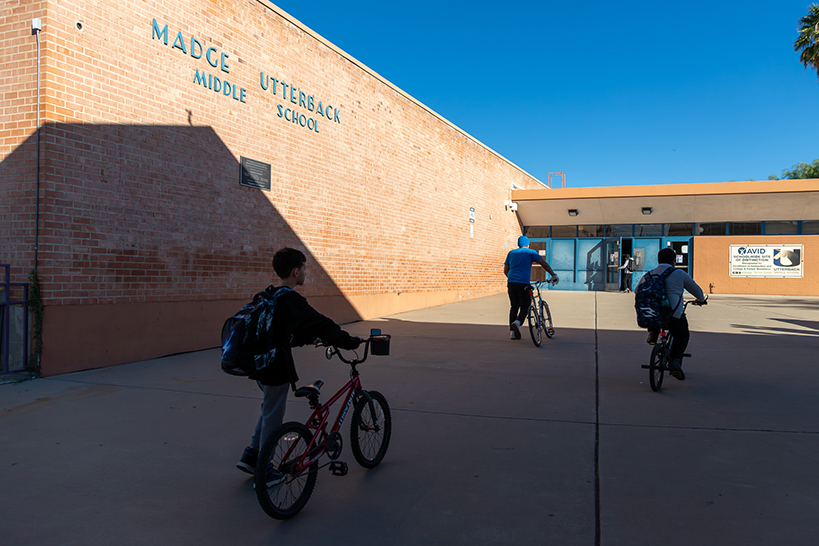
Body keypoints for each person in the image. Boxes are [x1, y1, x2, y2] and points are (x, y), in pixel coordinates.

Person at [236, 247, 361, 478]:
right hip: (275, 367)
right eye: (304, 269)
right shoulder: (291, 299)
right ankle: (265, 470)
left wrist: (306, 339)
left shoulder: (271, 294)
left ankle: (251, 456)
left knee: (268, 409)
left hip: (259, 364)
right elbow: (321, 323)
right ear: (296, 271)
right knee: (273, 416)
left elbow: (282, 331)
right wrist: (348, 341)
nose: (305, 273)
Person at [638, 247, 706, 381]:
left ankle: (653, 333)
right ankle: (675, 361)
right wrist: (701, 300)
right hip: (673, 316)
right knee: (682, 335)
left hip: (652, 316)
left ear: (658, 260)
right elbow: (697, 291)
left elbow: (637, 290)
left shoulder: (649, 274)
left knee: (657, 318)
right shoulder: (679, 274)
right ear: (674, 261)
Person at [503, 235, 558, 340]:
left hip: (511, 283)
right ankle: (518, 322)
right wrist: (553, 274)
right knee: (526, 305)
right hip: (523, 283)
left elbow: (505, 270)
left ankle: (513, 333)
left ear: (518, 244)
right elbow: (544, 264)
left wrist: (512, 278)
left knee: (514, 306)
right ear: (528, 244)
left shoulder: (511, 253)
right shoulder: (531, 252)